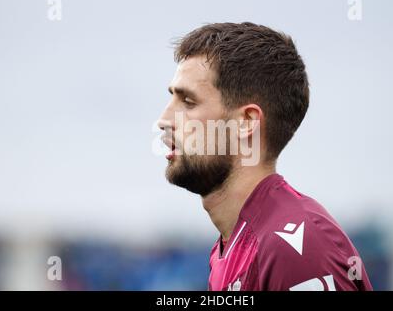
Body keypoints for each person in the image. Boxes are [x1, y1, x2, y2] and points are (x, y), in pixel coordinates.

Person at [157, 22, 372, 291]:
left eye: (188, 102)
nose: (164, 120)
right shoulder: (232, 245)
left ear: (246, 122)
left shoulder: (295, 249)